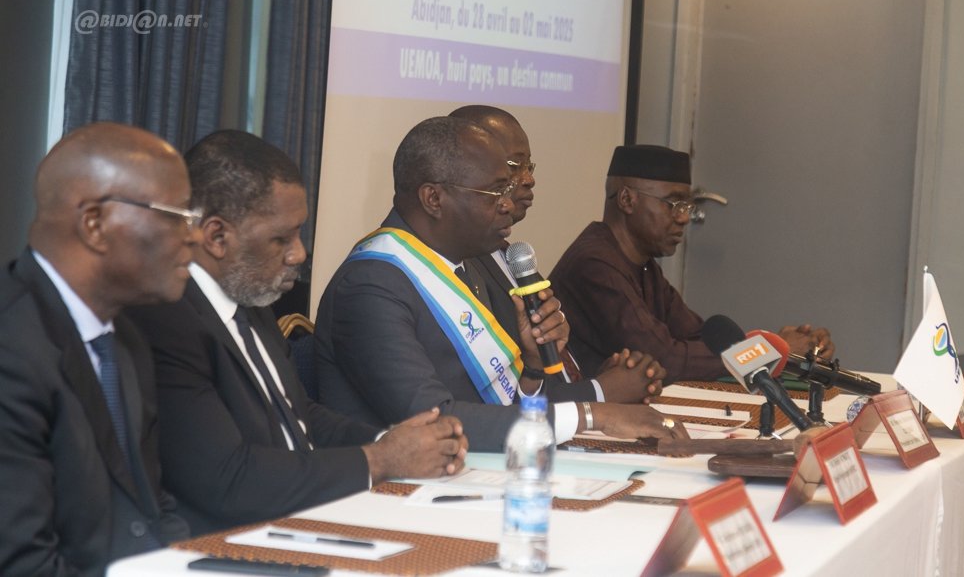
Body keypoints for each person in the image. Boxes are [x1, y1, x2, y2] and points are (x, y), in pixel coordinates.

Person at [125, 130, 467, 535]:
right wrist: (380, 460)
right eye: (280, 239)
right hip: (226, 538)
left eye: (299, 233)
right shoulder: (167, 321)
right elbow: (226, 478)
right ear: (217, 237)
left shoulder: (250, 300)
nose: (299, 253)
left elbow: (298, 413)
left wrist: (395, 440)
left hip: (302, 514)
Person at [314, 116, 686, 452]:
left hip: (479, 469)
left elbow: (500, 407)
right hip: (397, 491)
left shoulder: (461, 267)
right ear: (434, 198)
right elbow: (434, 421)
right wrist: (592, 415)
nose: (508, 205)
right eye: (495, 192)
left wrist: (533, 368)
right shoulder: (369, 288)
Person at [0, 123, 193, 576]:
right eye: (176, 215)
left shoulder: (124, 339)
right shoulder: (11, 349)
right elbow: (23, 564)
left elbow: (154, 508)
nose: (195, 236)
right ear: (94, 225)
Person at [549, 144, 835, 380]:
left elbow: (700, 338)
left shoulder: (644, 266)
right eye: (674, 204)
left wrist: (785, 347)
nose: (684, 217)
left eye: (687, 206)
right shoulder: (594, 264)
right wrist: (767, 351)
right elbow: (664, 359)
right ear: (627, 200)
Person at [449, 104, 665, 396]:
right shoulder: (465, 268)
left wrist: (594, 379)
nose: (529, 179)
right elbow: (495, 397)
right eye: (514, 166)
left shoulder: (513, 257)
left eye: (529, 167)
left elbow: (542, 368)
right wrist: (600, 392)